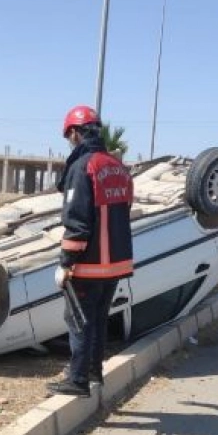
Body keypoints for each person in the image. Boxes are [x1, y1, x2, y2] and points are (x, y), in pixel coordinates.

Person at [46, 105, 134, 398]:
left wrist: (66, 262)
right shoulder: (117, 167)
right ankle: (94, 372)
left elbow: (77, 220)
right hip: (116, 263)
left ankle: (78, 379)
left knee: (78, 320)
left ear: (74, 132)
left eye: (68, 136)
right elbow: (124, 208)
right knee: (97, 318)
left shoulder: (83, 166)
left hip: (90, 263)